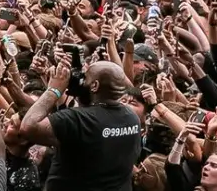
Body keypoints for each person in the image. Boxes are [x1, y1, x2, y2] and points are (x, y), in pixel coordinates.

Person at [19, 60, 142, 191]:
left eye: (85, 77)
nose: (81, 80)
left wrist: (53, 90)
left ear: (95, 86)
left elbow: (28, 127)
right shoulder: (131, 117)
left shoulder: (78, 119)